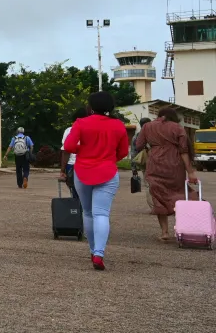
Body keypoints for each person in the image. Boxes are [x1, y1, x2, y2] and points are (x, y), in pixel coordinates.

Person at [63, 92, 129, 270]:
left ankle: (92, 250)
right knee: (102, 214)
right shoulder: (118, 125)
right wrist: (107, 158)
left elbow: (68, 147)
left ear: (90, 107)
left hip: (83, 171)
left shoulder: (81, 123)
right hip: (107, 172)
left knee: (88, 213)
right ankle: (99, 254)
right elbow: (123, 152)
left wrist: (84, 149)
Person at [134, 108, 200, 242]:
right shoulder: (178, 128)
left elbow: (138, 145)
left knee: (158, 196)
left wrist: (152, 147)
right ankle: (182, 227)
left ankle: (164, 232)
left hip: (155, 164)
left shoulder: (147, 126)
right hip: (174, 165)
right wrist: (190, 171)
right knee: (179, 194)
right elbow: (184, 151)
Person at [57, 108, 88, 200]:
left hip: (73, 165)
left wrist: (62, 170)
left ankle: (78, 210)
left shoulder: (69, 130)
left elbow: (66, 151)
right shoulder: (96, 129)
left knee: (76, 192)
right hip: (91, 164)